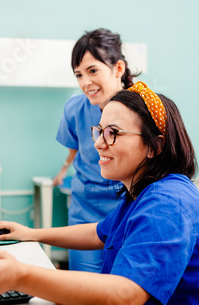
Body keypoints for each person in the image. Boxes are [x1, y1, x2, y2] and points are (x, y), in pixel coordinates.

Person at [0, 82, 199, 305]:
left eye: (113, 133)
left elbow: (127, 294)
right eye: (99, 130)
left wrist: (20, 276)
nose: (97, 143)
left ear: (153, 147)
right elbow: (99, 232)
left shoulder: (167, 205)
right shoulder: (143, 193)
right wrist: (31, 233)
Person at [52, 28, 138, 272]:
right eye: (79, 75)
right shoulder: (75, 109)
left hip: (128, 208)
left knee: (124, 287)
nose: (85, 83)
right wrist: (63, 171)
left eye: (92, 71)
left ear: (118, 69)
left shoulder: (142, 110)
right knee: (85, 287)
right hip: (86, 208)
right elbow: (76, 148)